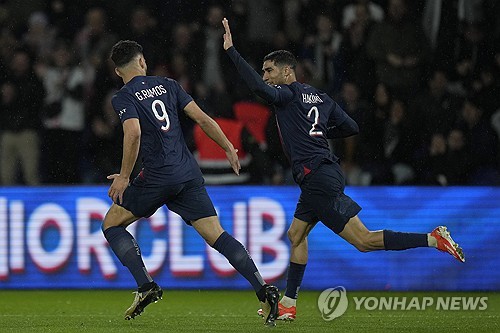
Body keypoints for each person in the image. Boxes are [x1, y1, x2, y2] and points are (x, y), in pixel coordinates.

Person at [221, 18, 465, 321]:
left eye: (269, 70)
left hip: (317, 177)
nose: (265, 76)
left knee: (363, 241)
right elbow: (350, 127)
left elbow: (258, 89)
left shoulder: (286, 94)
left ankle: (433, 238)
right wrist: (321, 133)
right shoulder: (321, 97)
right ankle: (288, 304)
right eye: (264, 71)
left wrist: (232, 51)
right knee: (296, 235)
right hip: (320, 174)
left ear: (287, 72)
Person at [102, 40, 279, 326]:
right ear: (142, 62)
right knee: (217, 235)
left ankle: (146, 285)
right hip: (187, 173)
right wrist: (228, 148)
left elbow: (132, 132)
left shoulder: (123, 97)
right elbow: (202, 118)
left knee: (111, 224)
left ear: (117, 71)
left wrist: (124, 177)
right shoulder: (169, 85)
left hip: (157, 175)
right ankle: (263, 290)